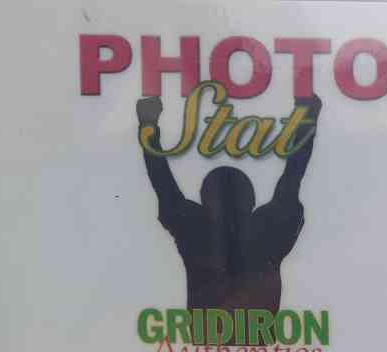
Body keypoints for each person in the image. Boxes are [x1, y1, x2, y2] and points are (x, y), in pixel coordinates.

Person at [135, 94, 321, 321]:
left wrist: (148, 125)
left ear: (204, 204)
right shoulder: (267, 232)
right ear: (252, 202)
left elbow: (162, 181)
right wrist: (308, 116)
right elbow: (293, 174)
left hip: (207, 347)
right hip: (257, 349)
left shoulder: (195, 234)